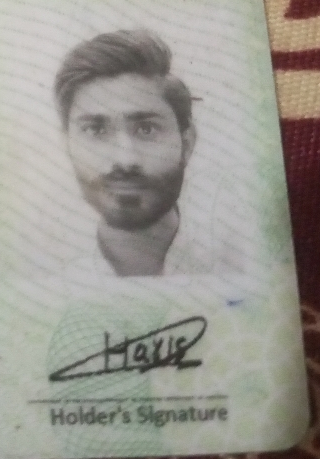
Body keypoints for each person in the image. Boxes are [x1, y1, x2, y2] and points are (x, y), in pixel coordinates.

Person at [55, 29, 212, 276]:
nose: (125, 160)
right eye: (96, 130)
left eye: (146, 129)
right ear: (67, 145)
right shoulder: (53, 279)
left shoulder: (242, 265)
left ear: (187, 143)